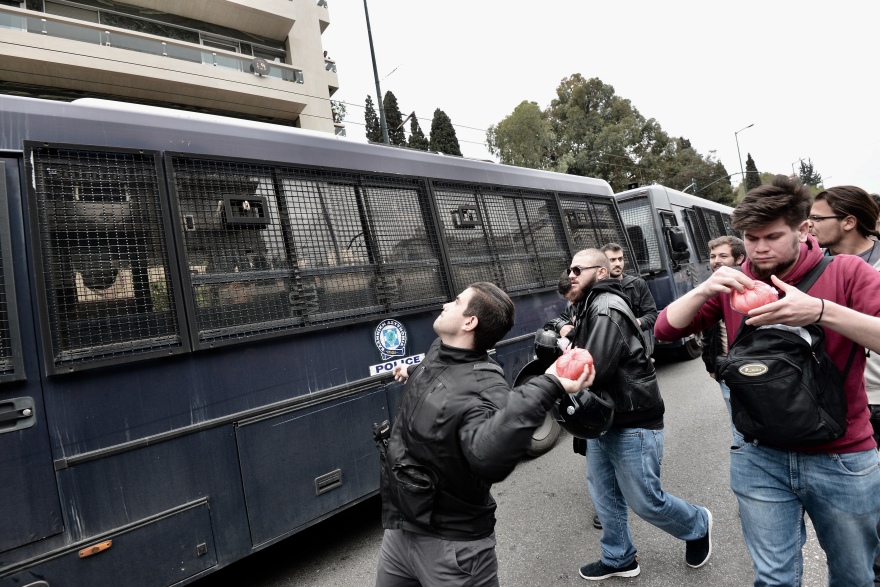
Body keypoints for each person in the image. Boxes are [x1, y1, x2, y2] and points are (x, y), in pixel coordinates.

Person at [655, 175, 880, 586]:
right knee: (773, 578)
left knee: (854, 577)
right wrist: (706, 287)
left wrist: (819, 311)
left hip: (843, 457)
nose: (759, 249)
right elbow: (665, 331)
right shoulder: (736, 280)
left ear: (803, 229)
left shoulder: (848, 272)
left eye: (773, 236)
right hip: (759, 455)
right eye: (750, 237)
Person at [375, 282, 593, 587]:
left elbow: (489, 458)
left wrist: (549, 384)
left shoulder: (486, 386)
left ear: (469, 322)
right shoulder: (441, 351)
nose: (445, 305)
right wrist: (414, 372)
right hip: (401, 532)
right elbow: (444, 378)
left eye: (456, 301)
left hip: (452, 548)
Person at [566, 249, 712, 581]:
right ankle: (619, 558)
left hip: (633, 419)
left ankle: (697, 523)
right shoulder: (588, 304)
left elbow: (596, 369)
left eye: (577, 268)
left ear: (600, 273)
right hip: (605, 417)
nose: (571, 274)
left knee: (645, 500)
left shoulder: (605, 309)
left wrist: (559, 371)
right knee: (604, 493)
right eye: (569, 268)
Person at [810, 186, 880, 587]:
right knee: (860, 521)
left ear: (849, 222)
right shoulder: (821, 266)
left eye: (817, 219)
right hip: (842, 406)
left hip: (878, 397)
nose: (810, 226)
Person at [701, 235, 746, 443]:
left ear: (739, 259)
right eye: (712, 256)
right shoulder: (709, 290)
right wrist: (711, 364)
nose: (716, 260)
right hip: (725, 368)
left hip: (752, 368)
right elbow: (707, 333)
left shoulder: (751, 288)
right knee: (736, 421)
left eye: (723, 255)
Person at [599, 243, 658, 356]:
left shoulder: (638, 284)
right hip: (609, 351)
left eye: (620, 259)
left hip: (636, 349)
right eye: (612, 260)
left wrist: (638, 322)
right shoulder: (596, 288)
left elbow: (652, 315)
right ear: (603, 263)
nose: (618, 263)